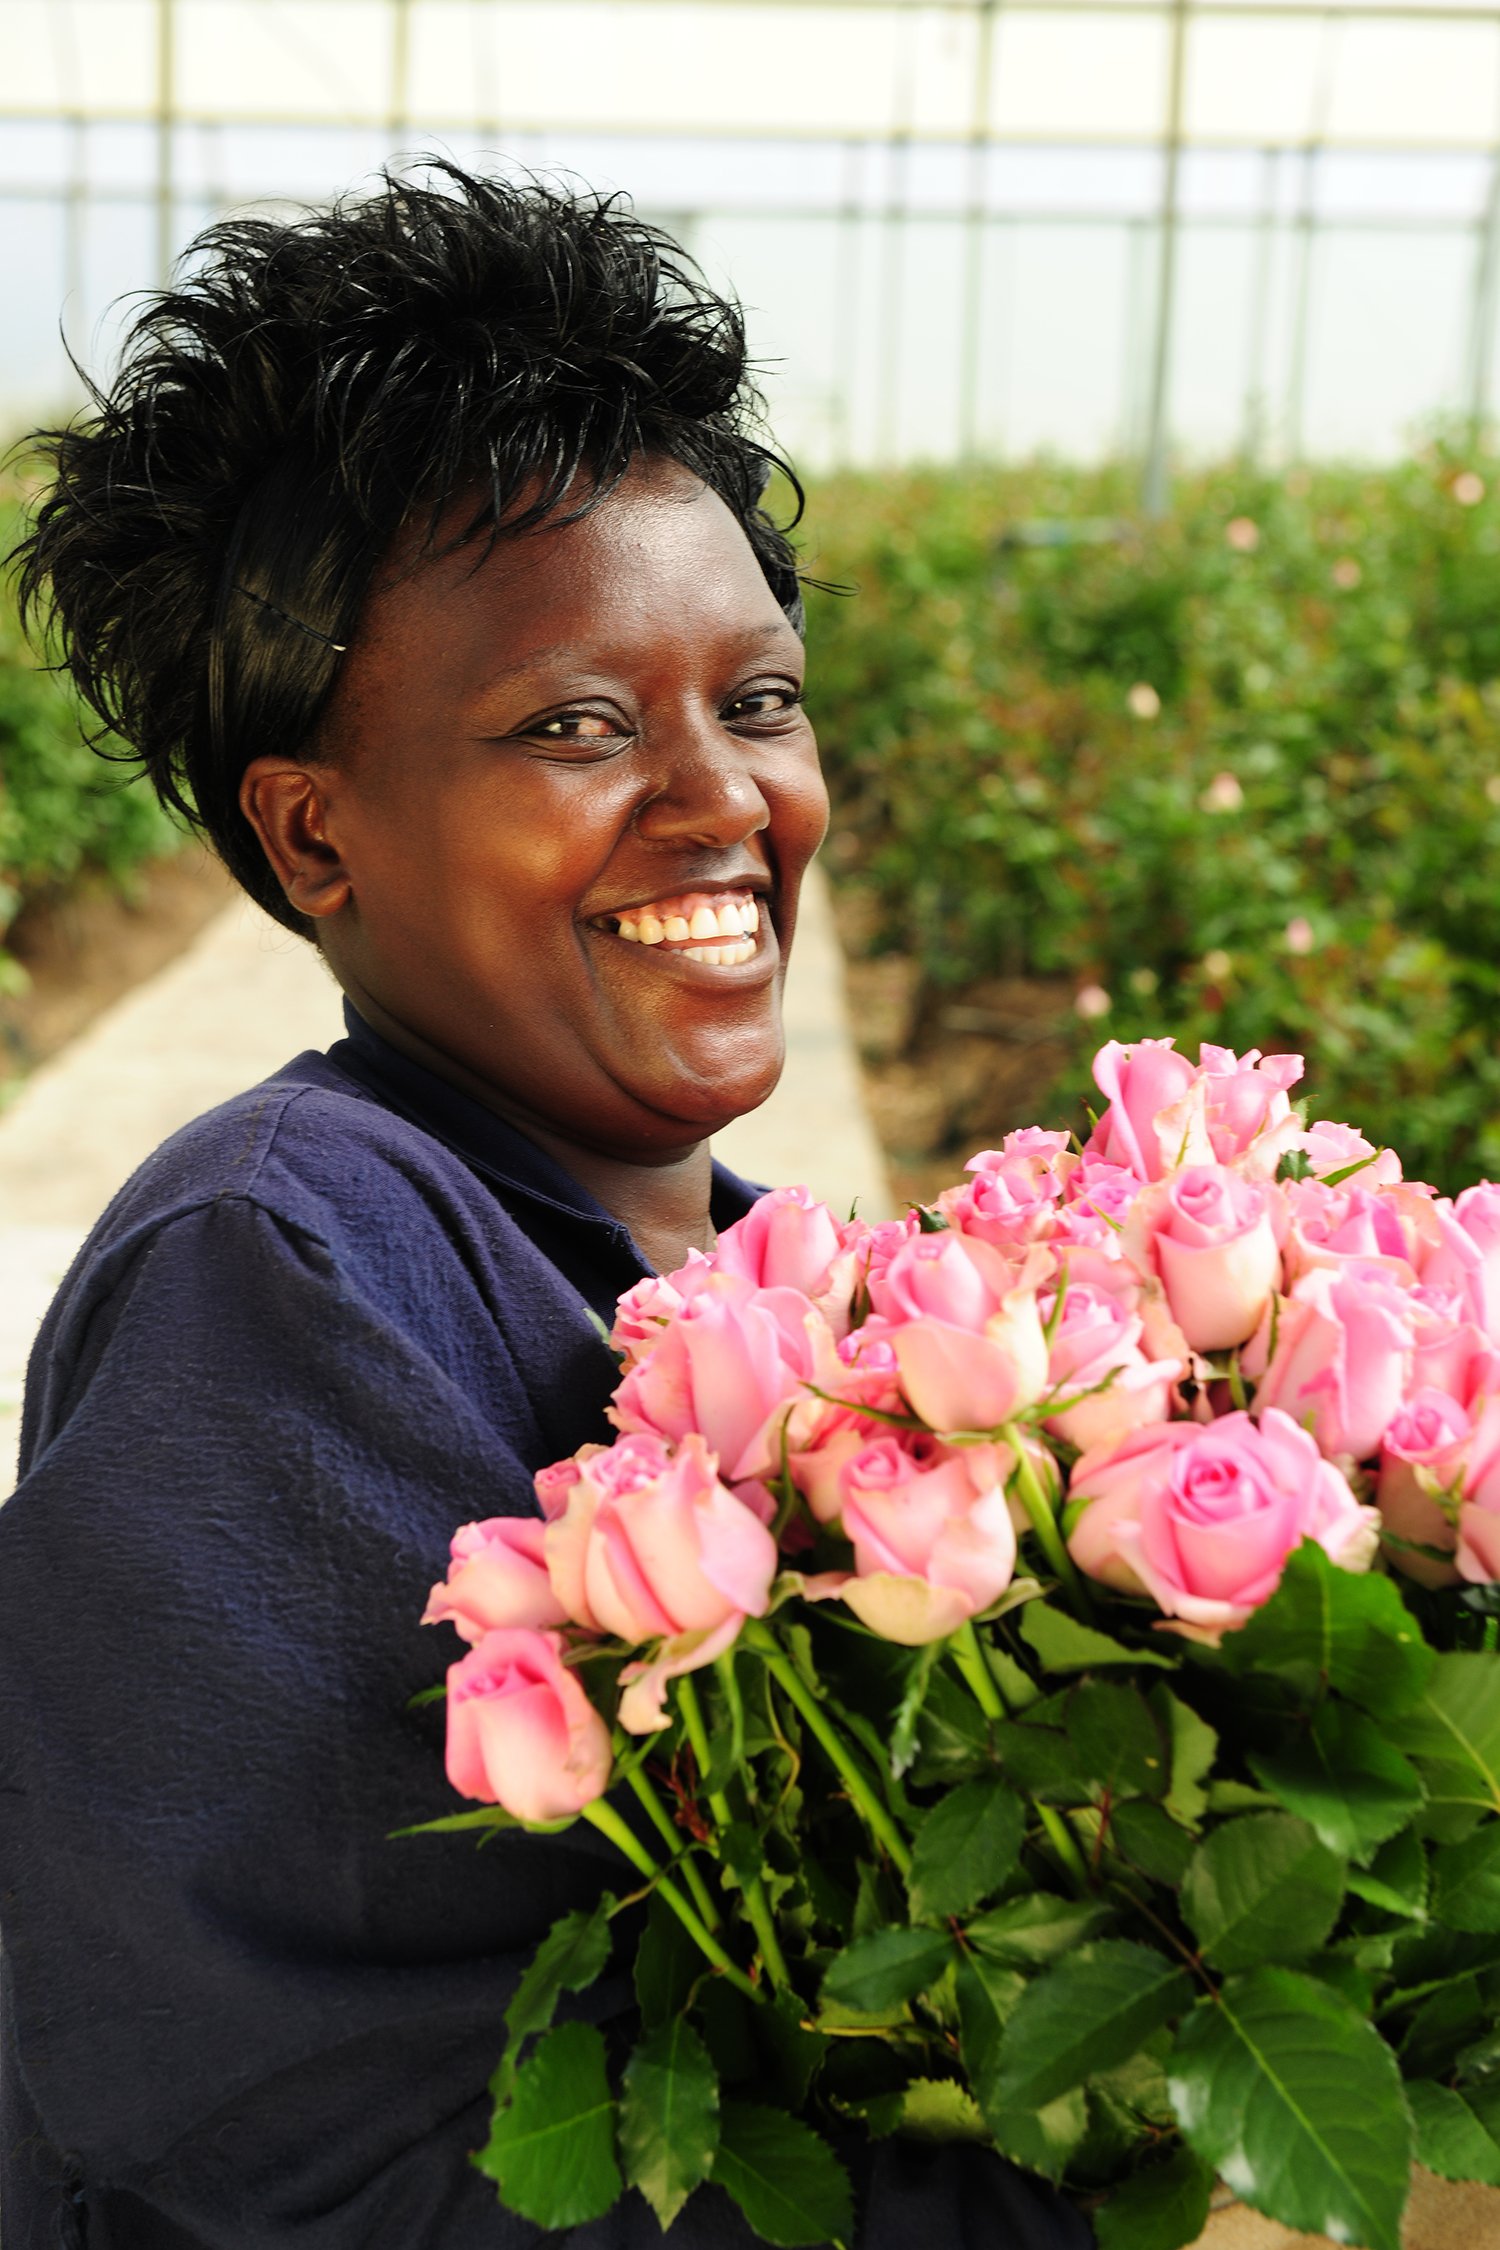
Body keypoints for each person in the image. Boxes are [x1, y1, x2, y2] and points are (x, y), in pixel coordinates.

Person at [0, 166, 1093, 2249]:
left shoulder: (768, 1286)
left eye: (756, 700)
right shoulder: (286, 1273)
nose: (723, 804)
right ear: (314, 833)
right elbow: (311, 2151)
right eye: (575, 725)